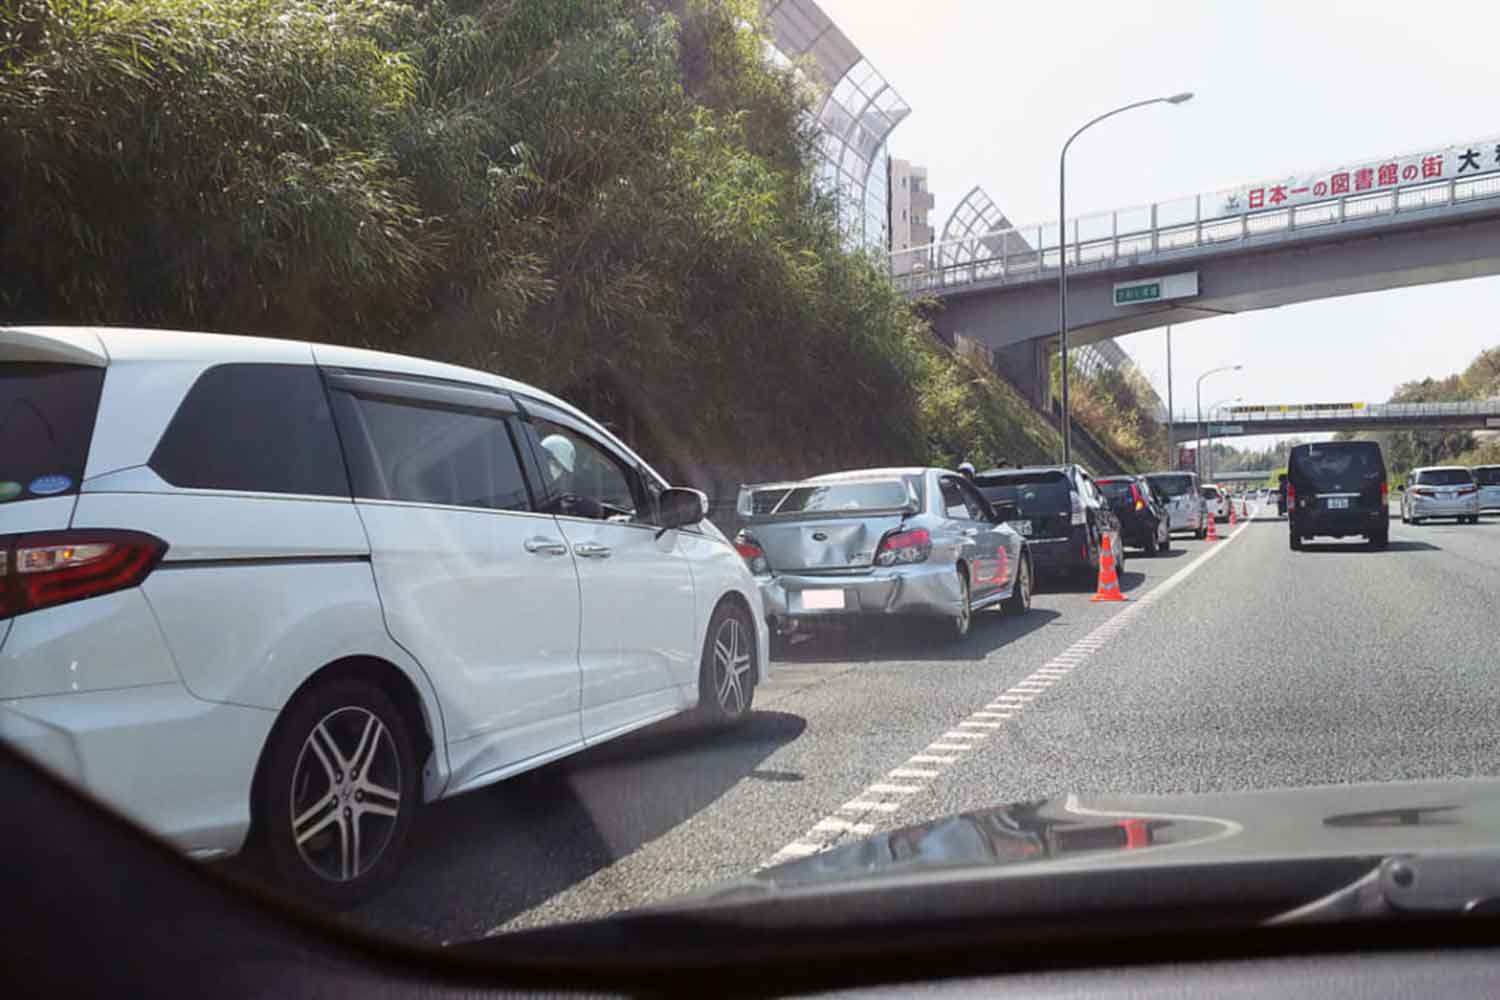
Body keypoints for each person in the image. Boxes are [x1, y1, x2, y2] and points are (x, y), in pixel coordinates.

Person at [539, 433, 606, 519]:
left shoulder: (539, 487)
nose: (557, 472)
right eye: (556, 465)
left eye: (560, 468)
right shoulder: (530, 486)